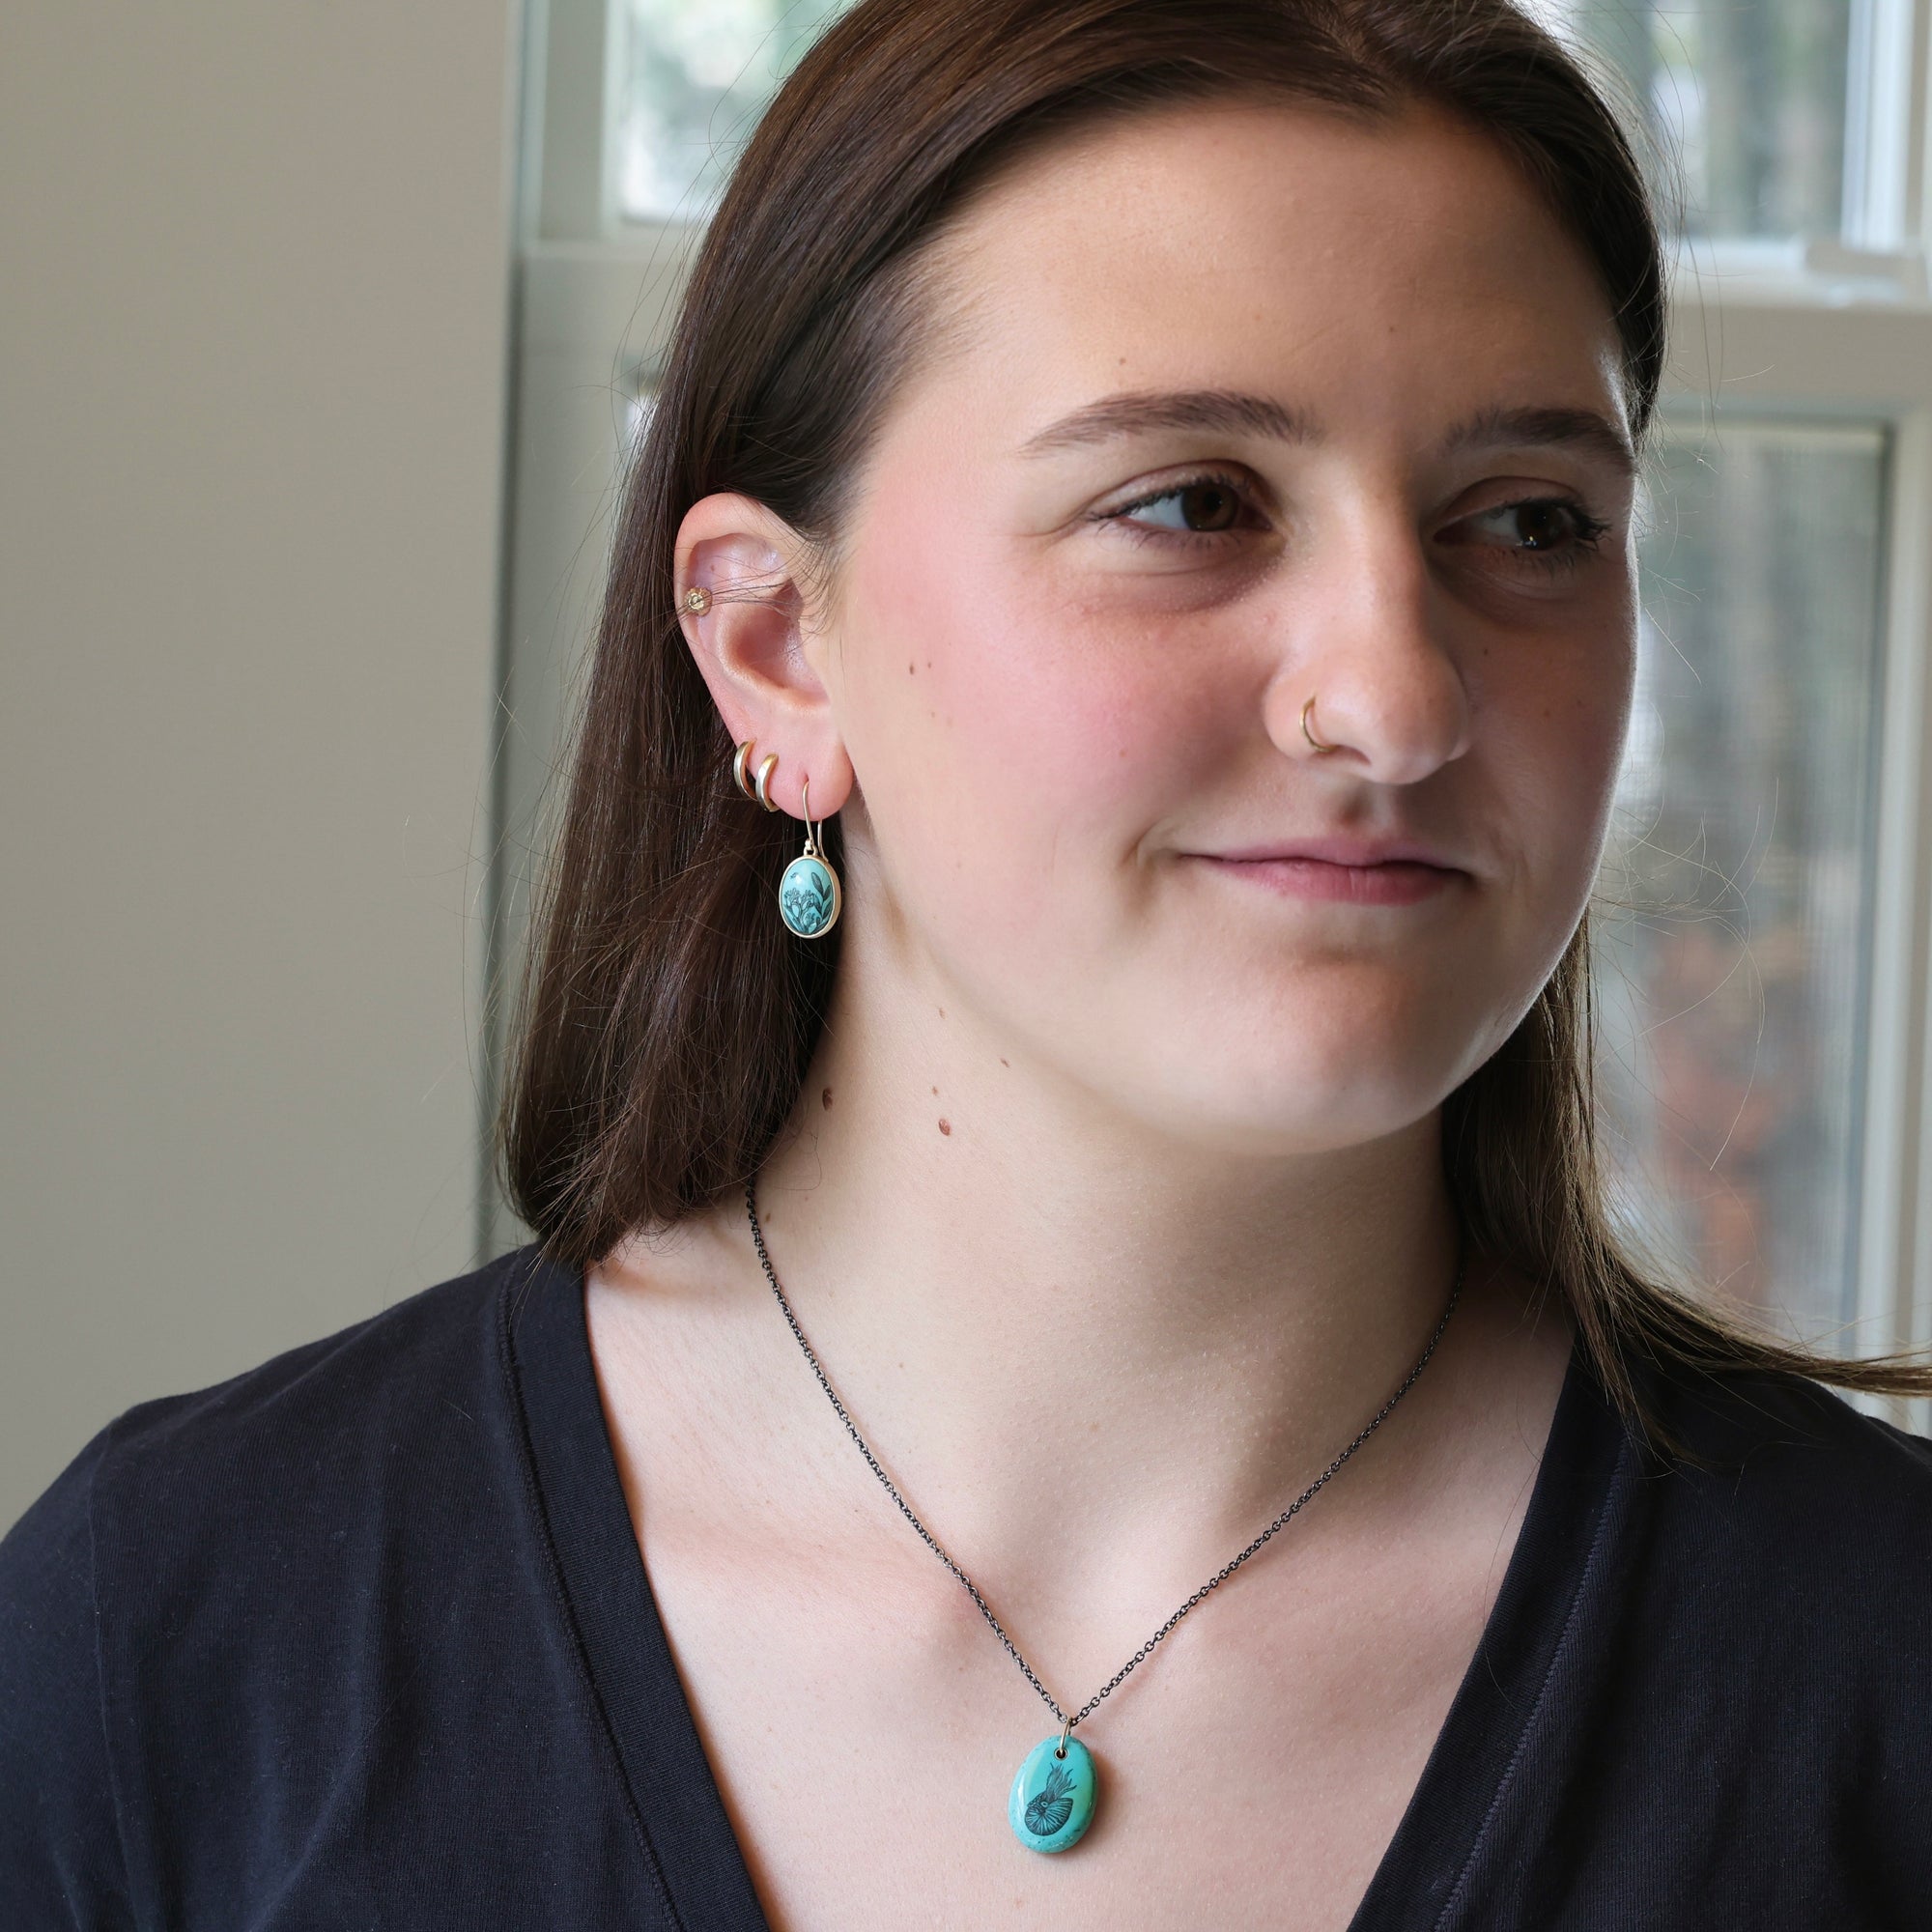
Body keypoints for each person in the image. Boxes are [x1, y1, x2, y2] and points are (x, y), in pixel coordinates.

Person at [5, 1, 1931, 1924]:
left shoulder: (1881, 1680)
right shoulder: (168, 1641)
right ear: (773, 643)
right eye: (1188, 503)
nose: (1396, 696)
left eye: (1528, 522)